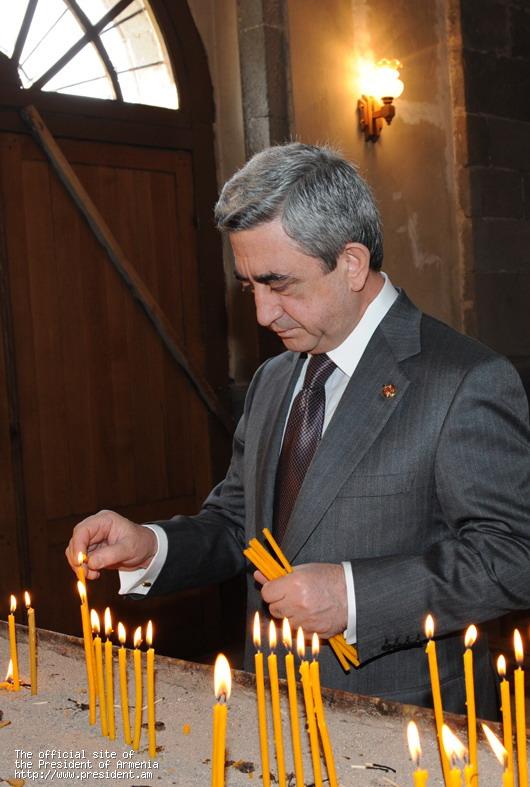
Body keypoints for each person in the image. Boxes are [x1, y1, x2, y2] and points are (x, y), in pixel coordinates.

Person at [66, 142, 530, 720]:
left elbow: (514, 554)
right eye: (249, 287)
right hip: (269, 703)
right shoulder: (275, 377)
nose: (263, 314)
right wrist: (151, 547)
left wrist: (353, 597)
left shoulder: (464, 379)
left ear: (352, 263)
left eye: (279, 284)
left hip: (404, 718)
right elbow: (240, 525)